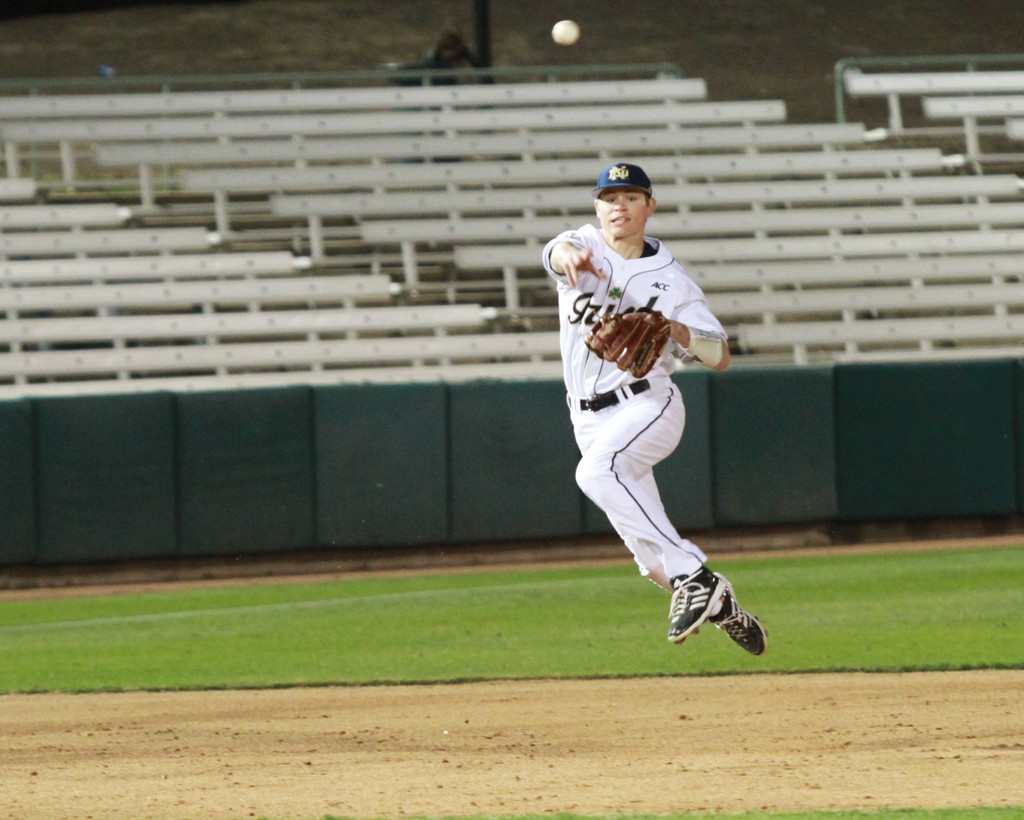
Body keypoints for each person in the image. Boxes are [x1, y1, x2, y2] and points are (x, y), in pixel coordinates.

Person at [541, 162, 768, 655]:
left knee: (595, 474)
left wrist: (674, 330)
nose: (617, 206)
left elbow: (720, 355)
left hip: (649, 404)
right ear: (597, 207)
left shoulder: (672, 282)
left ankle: (697, 576)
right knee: (649, 561)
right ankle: (720, 603)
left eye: (629, 197)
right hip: (586, 416)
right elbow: (556, 253)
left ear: (650, 206)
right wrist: (569, 257)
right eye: (608, 197)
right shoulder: (583, 243)